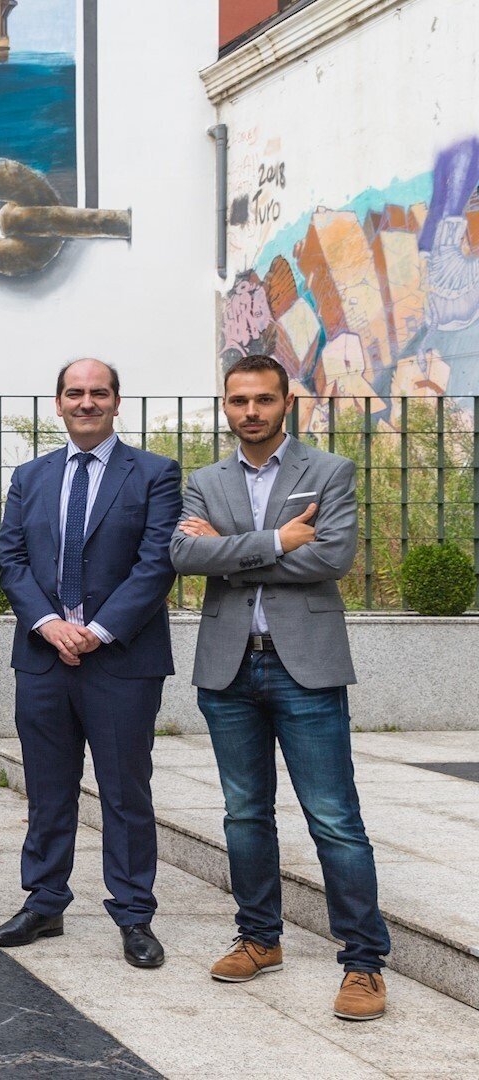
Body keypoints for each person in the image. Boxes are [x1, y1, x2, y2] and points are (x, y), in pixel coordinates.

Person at [172, 354, 390, 1021]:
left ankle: (363, 962)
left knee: (334, 818)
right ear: (226, 405)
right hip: (229, 668)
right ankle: (260, 939)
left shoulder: (328, 472)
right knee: (244, 813)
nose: (251, 412)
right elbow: (184, 555)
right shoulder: (204, 481)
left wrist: (233, 549)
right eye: (239, 401)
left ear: (286, 403)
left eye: (263, 399)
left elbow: (332, 556)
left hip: (306, 669)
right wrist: (277, 540)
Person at [0, 359, 180, 969]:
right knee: (48, 789)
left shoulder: (154, 473)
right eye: (75, 393)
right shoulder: (30, 476)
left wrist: (97, 632)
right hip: (43, 658)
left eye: (99, 393)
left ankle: (134, 913)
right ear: (58, 403)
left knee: (125, 792)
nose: (87, 402)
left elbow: (157, 563)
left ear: (117, 402)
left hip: (121, 659)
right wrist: (48, 624)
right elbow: (12, 560)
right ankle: (45, 903)